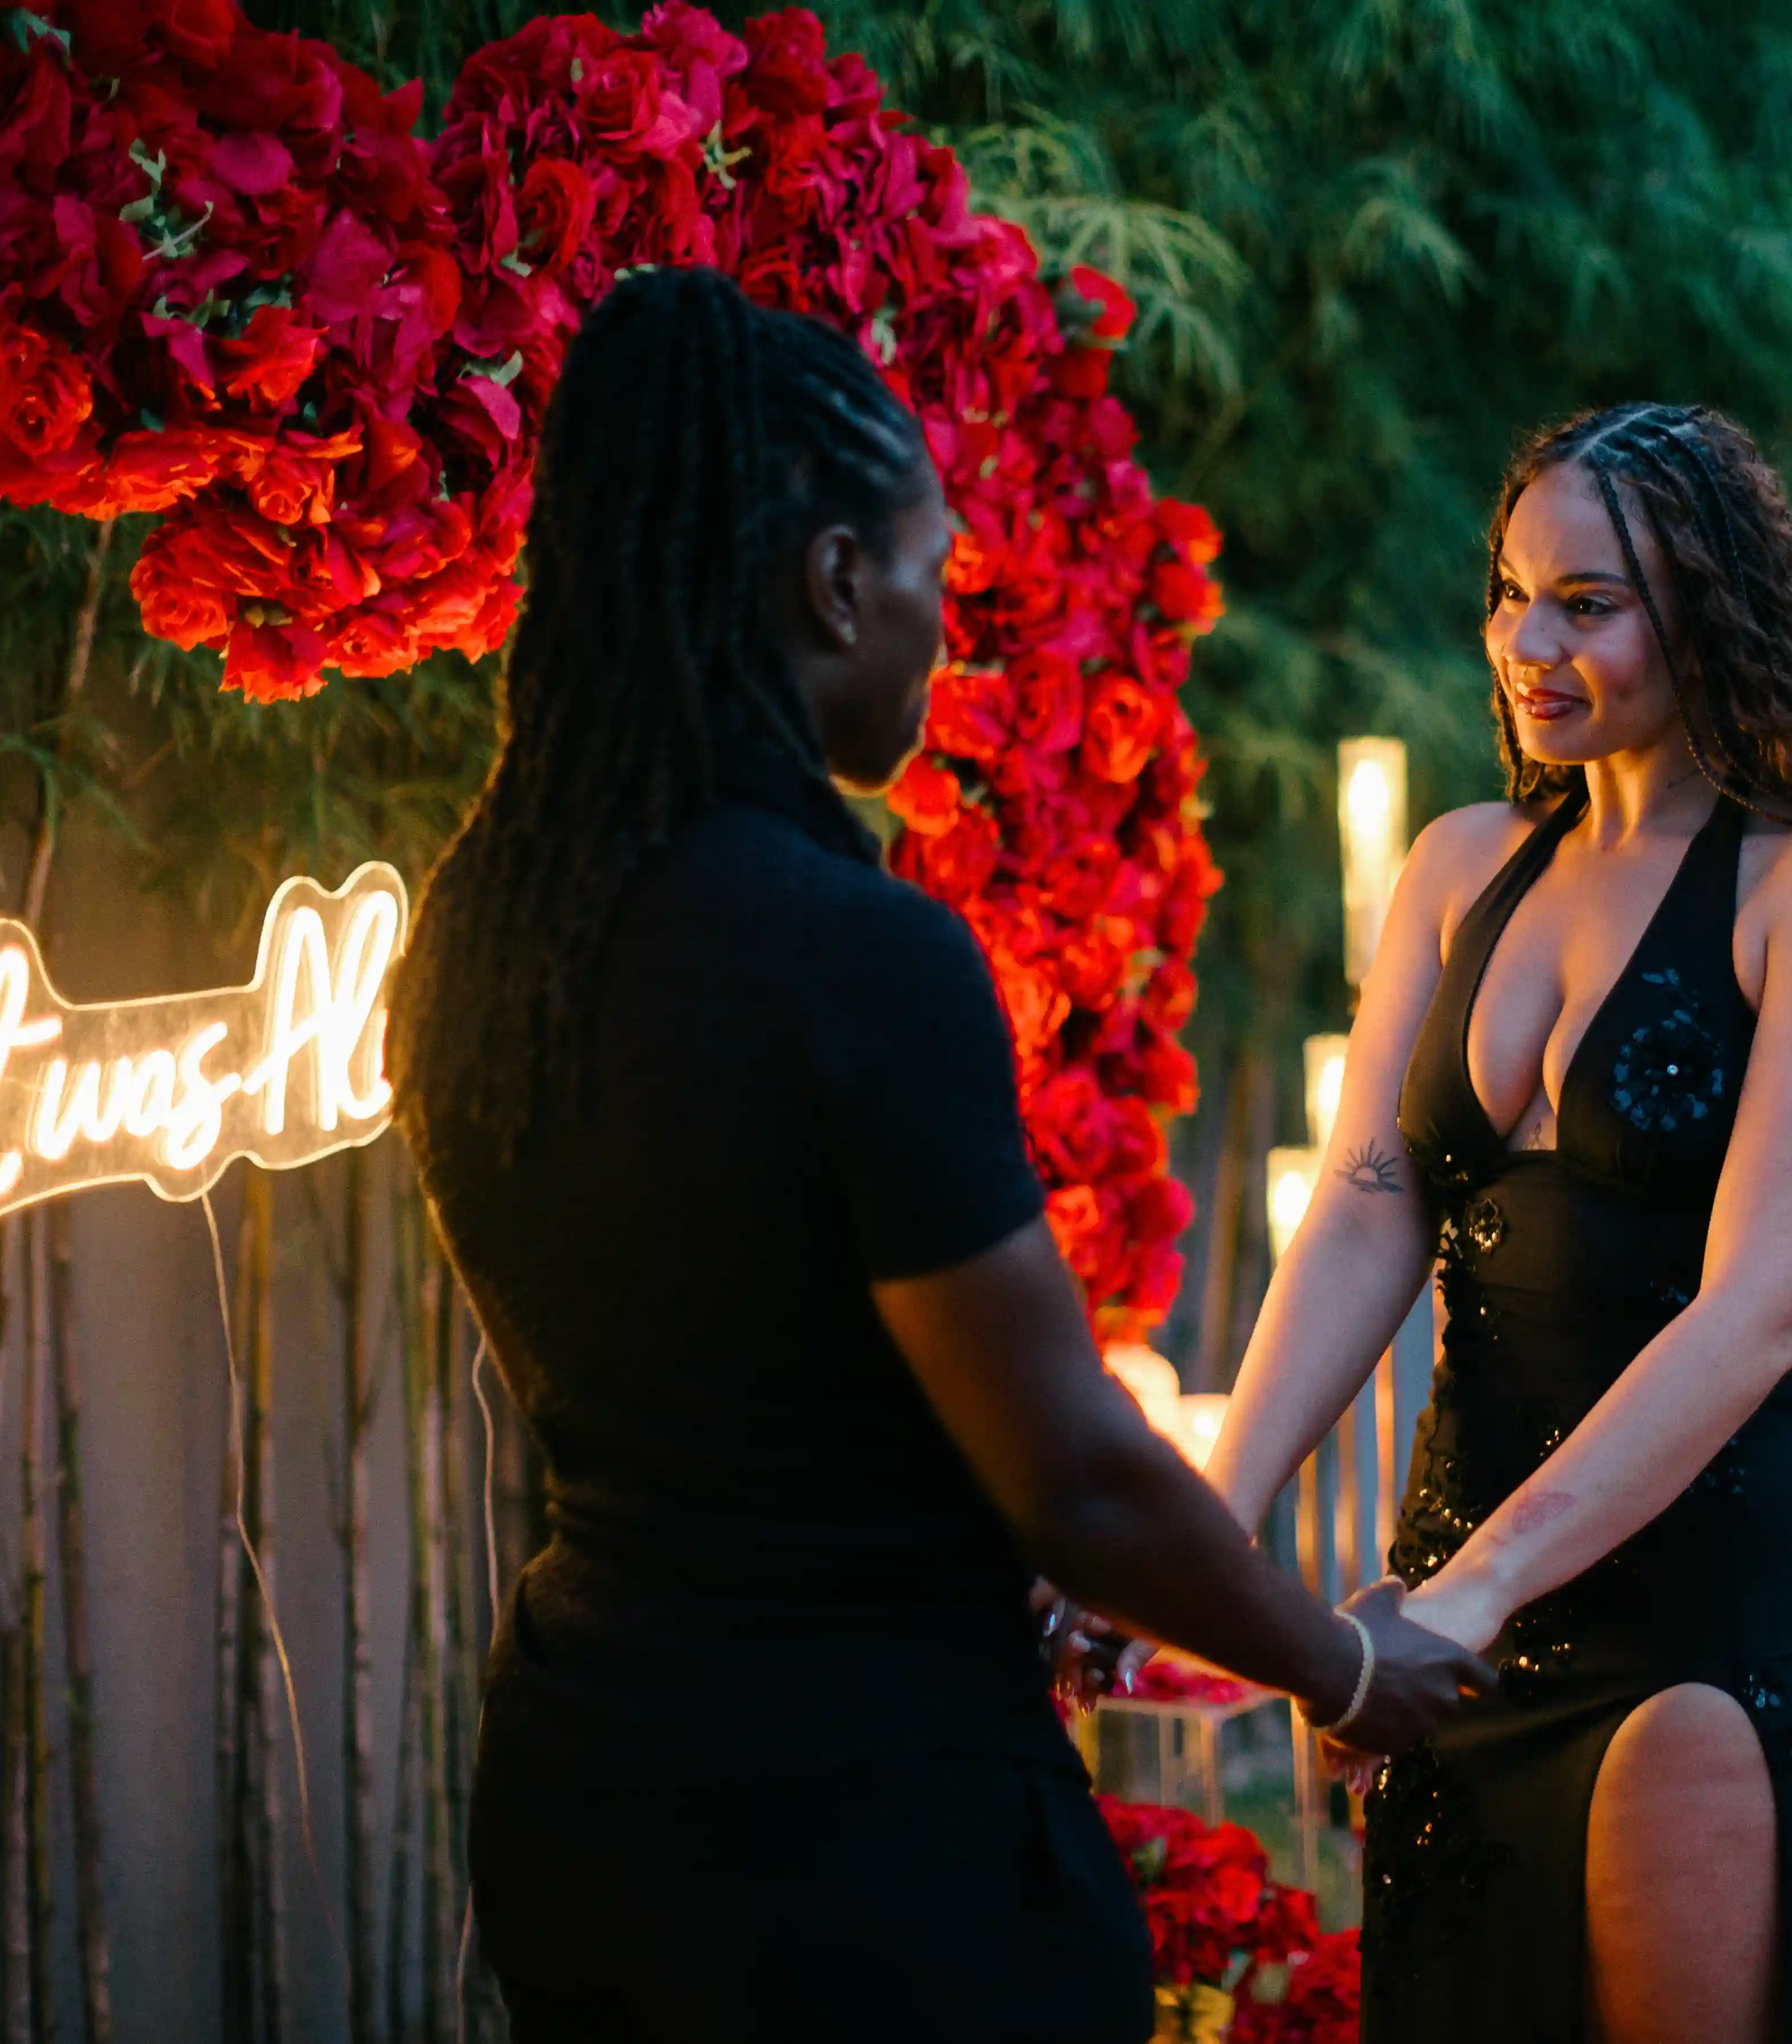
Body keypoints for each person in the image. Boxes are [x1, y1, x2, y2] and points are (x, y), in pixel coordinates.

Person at [388, 267, 1493, 2044]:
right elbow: (1069, 1470)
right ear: (835, 583)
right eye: (932, 578)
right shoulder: (855, 952)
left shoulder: (480, 936)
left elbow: (742, 1373)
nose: (939, 625)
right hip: (865, 1837)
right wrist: (1344, 1662)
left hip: (590, 1789)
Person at [1198, 404, 1792, 2044]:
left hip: (1713, 1584)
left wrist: (1469, 1602)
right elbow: (1365, 1216)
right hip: (1462, 1569)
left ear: (1706, 608)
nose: (1526, 646)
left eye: (1587, 604)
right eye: (1509, 593)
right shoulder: (1460, 865)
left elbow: (1761, 1309)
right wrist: (1209, 1533)